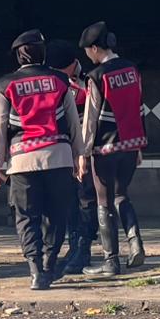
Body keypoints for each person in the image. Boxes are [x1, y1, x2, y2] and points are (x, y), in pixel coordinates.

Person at [0, 29, 88, 290]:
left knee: (27, 216)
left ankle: (35, 271)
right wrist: (80, 156)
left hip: (22, 162)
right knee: (57, 215)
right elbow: (74, 124)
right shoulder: (61, 81)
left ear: (18, 57)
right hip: (59, 158)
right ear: (42, 53)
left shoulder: (5, 85)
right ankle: (49, 264)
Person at [79, 22, 148, 278]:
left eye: (88, 50)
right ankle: (135, 243)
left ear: (95, 48)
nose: (87, 55)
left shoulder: (96, 77)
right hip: (131, 145)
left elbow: (90, 118)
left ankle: (110, 262)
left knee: (103, 201)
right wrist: (139, 145)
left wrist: (83, 154)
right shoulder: (133, 69)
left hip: (105, 148)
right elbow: (140, 108)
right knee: (122, 195)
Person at [47, 39, 98, 276]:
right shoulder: (52, 80)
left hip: (87, 147)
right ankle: (74, 244)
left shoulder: (89, 80)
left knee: (86, 197)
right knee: (68, 200)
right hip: (61, 148)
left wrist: (84, 152)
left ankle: (84, 247)